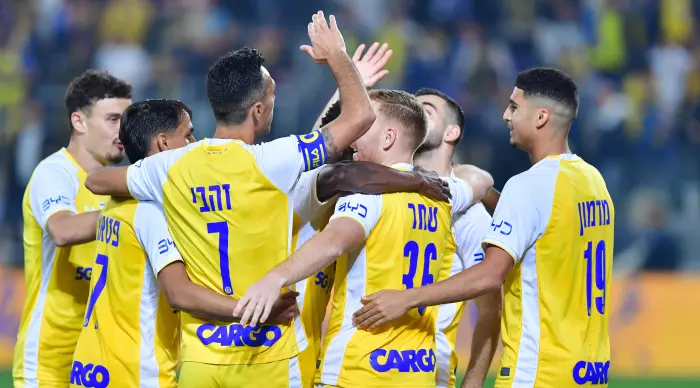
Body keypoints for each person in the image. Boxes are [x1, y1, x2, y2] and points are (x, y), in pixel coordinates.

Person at [84, 11, 378, 388]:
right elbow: (361, 115)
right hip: (268, 352)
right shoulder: (274, 161)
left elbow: (97, 181)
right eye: (272, 95)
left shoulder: (171, 167)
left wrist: (157, 179)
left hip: (202, 360)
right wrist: (337, 55)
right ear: (258, 110)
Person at [354, 68, 615, 388]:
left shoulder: (527, 187)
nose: (506, 115)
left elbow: (491, 275)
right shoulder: (593, 183)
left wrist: (407, 298)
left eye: (515, 107)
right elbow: (542, 224)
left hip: (538, 370)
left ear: (542, 117)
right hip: (589, 370)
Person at [234, 89, 481, 388]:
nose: (352, 138)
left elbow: (335, 240)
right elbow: (479, 183)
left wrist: (275, 278)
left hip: (358, 367)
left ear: (388, 138)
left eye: (364, 128)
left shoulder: (368, 193)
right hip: (418, 372)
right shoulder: (443, 200)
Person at [70, 99, 298, 388]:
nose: (195, 143)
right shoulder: (153, 210)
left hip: (90, 367)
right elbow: (179, 293)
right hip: (138, 372)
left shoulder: (114, 206)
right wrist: (256, 310)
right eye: (188, 134)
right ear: (164, 143)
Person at [13, 70, 132, 387]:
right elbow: (62, 230)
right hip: (50, 363)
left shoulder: (117, 185)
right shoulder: (54, 172)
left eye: (127, 119)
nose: (124, 130)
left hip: (98, 362)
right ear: (79, 122)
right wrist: (129, 213)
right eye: (112, 119)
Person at [413, 88, 501, 388]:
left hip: (427, 371)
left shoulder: (469, 214)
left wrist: (473, 381)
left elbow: (490, 308)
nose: (414, 110)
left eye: (426, 108)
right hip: (358, 369)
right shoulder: (379, 186)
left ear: (452, 131)